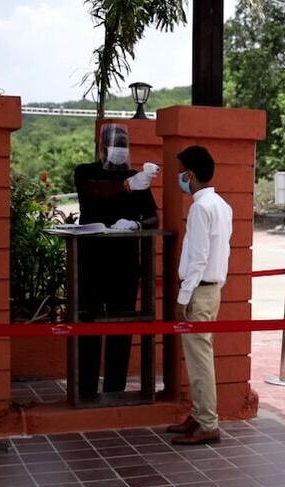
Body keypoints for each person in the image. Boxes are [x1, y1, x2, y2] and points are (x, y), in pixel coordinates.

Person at [74, 123, 159, 398]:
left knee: (121, 328)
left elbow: (153, 216)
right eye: (114, 146)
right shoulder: (85, 172)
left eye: (124, 146)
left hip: (124, 264)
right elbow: (93, 193)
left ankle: (115, 388)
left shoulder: (138, 178)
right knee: (88, 325)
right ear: (102, 147)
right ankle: (86, 388)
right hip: (91, 263)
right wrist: (126, 185)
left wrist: (135, 223)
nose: (119, 151)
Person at [166, 146, 232, 445]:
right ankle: (199, 414)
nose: (179, 178)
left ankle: (207, 422)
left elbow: (198, 257)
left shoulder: (200, 208)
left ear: (189, 175)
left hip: (199, 290)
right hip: (211, 289)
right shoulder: (222, 205)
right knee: (198, 357)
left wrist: (183, 297)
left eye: (181, 172)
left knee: (199, 359)